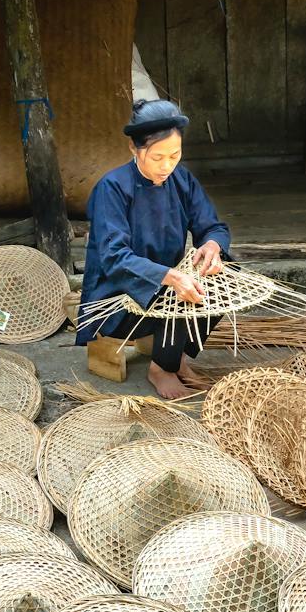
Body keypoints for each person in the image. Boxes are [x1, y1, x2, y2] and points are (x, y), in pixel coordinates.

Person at [77, 98, 229, 399]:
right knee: (176, 292)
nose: (167, 165)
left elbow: (212, 226)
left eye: (175, 155)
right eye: (157, 157)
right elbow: (114, 259)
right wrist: (171, 277)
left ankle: (177, 357)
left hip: (168, 281)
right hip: (118, 295)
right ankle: (161, 368)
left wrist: (212, 246)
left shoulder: (181, 179)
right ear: (134, 149)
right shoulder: (113, 188)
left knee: (225, 277)